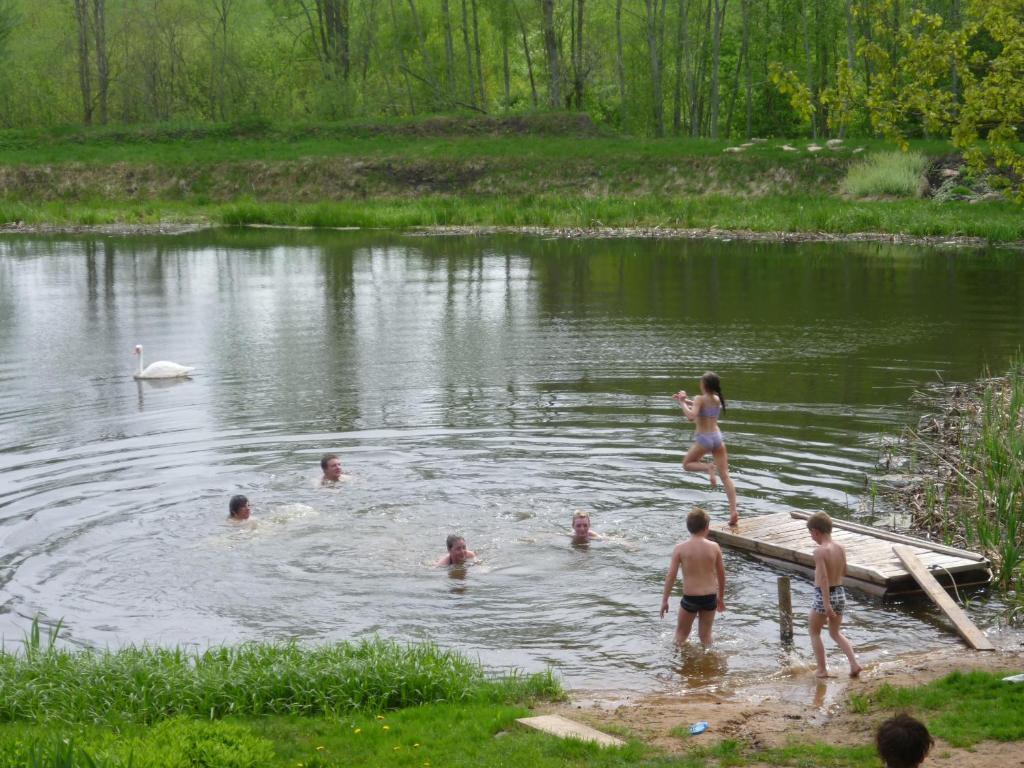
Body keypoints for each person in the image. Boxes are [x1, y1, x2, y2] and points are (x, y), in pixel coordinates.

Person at [674, 371, 738, 526]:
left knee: (687, 464)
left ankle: (708, 467)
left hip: (704, 439)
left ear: (704, 385)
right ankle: (734, 511)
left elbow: (691, 417)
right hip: (717, 437)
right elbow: (701, 408)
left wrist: (682, 403)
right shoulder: (716, 399)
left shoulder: (699, 399)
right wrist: (685, 400)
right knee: (725, 476)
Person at [806, 511, 862, 678]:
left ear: (816, 531)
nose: (811, 537)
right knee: (835, 632)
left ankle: (822, 669)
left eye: (811, 533)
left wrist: (827, 604)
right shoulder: (840, 548)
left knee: (814, 631)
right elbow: (844, 570)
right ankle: (854, 663)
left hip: (825, 595)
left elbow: (823, 578)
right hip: (840, 591)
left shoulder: (819, 551)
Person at [660, 508, 726, 646]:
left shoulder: (680, 548)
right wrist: (720, 598)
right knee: (706, 636)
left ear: (688, 527)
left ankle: (676, 664)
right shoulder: (714, 547)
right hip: (710, 597)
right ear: (707, 527)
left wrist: (665, 600)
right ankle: (710, 661)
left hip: (691, 598)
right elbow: (721, 575)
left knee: (681, 635)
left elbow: (670, 576)